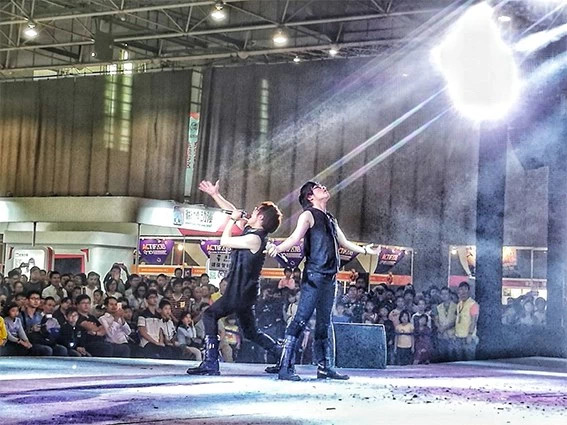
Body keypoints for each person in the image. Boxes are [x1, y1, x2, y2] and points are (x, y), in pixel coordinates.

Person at [267, 181, 381, 381]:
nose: (324, 188)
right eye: (318, 187)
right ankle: (285, 367)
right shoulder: (308, 215)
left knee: (324, 323)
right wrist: (278, 248)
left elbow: (344, 242)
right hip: (315, 275)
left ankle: (324, 367)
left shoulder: (330, 218)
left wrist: (365, 250)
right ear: (310, 196)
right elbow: (294, 238)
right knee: (301, 319)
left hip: (330, 277)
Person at [187, 180, 284, 376]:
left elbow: (225, 241)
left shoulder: (255, 238)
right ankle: (282, 355)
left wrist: (232, 221)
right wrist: (215, 195)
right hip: (244, 291)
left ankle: (211, 362)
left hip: (240, 290)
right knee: (250, 332)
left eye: (256, 210)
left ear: (261, 217)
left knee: (209, 314)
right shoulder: (252, 230)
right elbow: (233, 210)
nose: (252, 211)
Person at [137, 290, 168, 358]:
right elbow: (143, 332)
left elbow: (160, 331)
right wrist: (155, 342)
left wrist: (161, 342)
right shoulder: (143, 315)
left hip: (157, 342)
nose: (154, 299)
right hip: (147, 343)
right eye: (151, 297)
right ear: (147, 300)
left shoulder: (159, 316)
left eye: (155, 297)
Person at [454, 281, 479, 361]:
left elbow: (473, 321)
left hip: (468, 337)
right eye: (461, 290)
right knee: (459, 361)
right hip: (458, 337)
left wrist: (470, 334)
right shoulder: (459, 304)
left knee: (469, 361)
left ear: (469, 291)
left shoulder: (473, 304)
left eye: (465, 290)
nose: (463, 293)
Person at [435, 287, 457, 362]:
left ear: (450, 295)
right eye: (442, 294)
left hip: (452, 336)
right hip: (441, 336)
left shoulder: (456, 306)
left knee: (451, 357)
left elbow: (456, 321)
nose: (444, 296)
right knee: (441, 357)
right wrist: (439, 327)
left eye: (446, 294)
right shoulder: (438, 307)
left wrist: (445, 328)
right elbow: (436, 320)